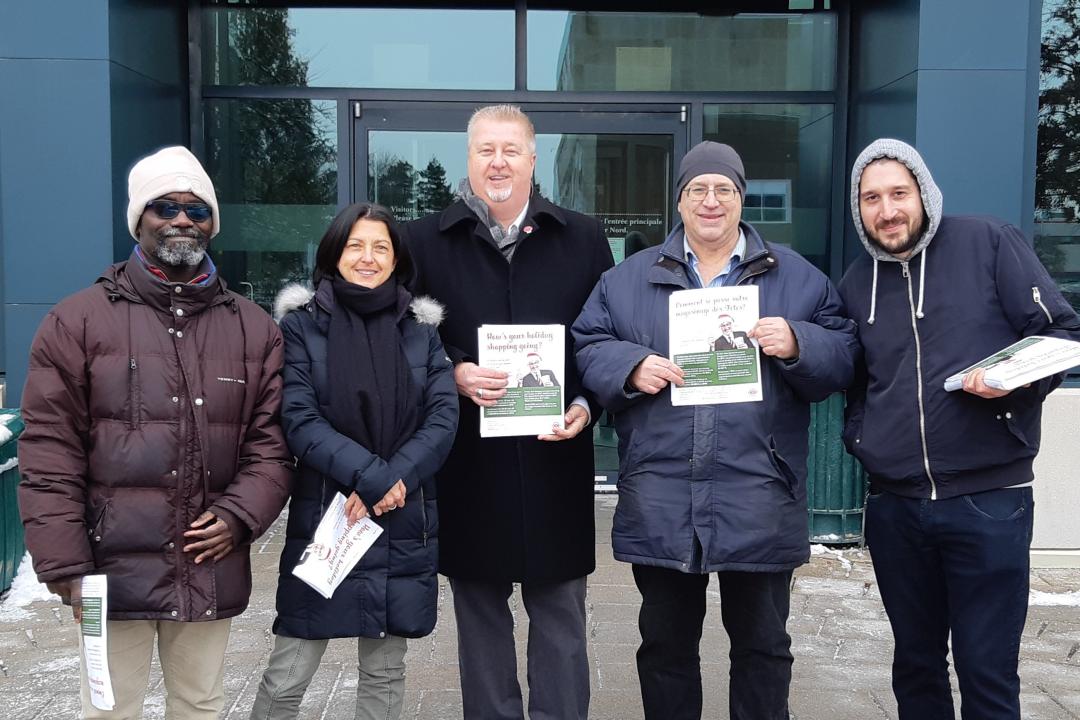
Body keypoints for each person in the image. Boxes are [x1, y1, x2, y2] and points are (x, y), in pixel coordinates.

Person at [572, 141, 858, 720]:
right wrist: (630, 366)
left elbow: (846, 353)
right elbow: (587, 344)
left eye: (723, 189)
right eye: (697, 189)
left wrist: (799, 343)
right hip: (662, 493)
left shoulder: (798, 278)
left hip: (759, 492)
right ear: (679, 201)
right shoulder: (625, 280)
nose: (711, 200)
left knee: (763, 647)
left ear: (740, 198)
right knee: (665, 647)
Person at [17, 145, 293, 718]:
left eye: (197, 209)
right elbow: (48, 452)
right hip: (107, 568)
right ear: (138, 219)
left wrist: (239, 515)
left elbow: (272, 445)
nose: (182, 219)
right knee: (110, 709)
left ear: (213, 223)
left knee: (199, 704)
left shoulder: (254, 328)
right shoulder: (77, 320)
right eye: (165, 207)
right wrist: (65, 562)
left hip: (207, 562)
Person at [839, 138, 1080, 720]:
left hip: (989, 500)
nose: (887, 210)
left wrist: (1011, 381)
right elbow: (858, 381)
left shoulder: (988, 242)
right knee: (915, 666)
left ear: (923, 193)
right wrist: (864, 439)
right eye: (872, 198)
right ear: (858, 208)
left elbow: (1061, 332)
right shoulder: (855, 281)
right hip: (897, 506)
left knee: (986, 669)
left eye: (899, 193)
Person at [404, 104, 613, 720]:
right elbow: (401, 338)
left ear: (532, 159)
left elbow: (604, 338)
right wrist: (452, 371)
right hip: (468, 462)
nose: (498, 163)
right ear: (469, 158)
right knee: (480, 619)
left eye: (510, 150)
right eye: (485, 150)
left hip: (555, 457)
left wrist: (587, 404)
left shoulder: (582, 237)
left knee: (561, 615)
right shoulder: (422, 241)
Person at [250, 202, 458, 720]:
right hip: (329, 513)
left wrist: (391, 480)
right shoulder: (301, 328)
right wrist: (371, 478)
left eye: (381, 247)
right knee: (290, 669)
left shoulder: (421, 330)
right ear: (334, 253)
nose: (368, 257)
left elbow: (442, 418)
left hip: (400, 516)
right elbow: (299, 418)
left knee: (385, 672)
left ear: (396, 259)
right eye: (355, 245)